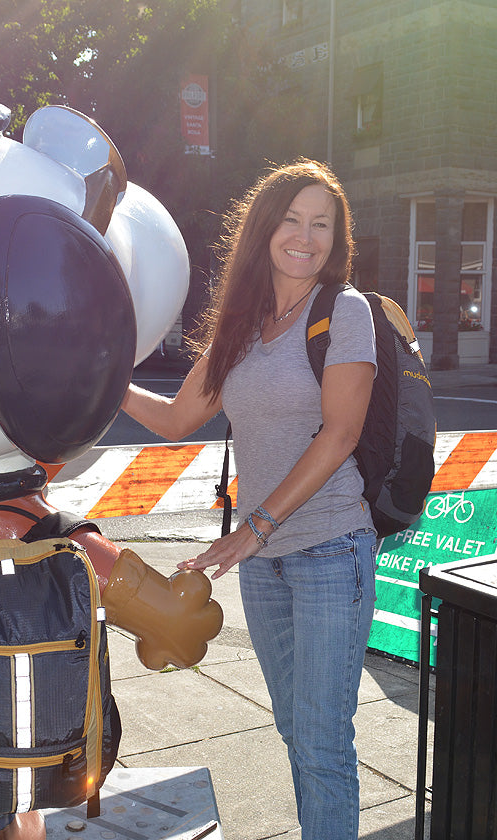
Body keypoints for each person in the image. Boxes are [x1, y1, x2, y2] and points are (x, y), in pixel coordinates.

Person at [121, 158, 377, 840]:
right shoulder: (243, 323)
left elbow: (340, 433)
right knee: (296, 729)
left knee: (323, 743)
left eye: (322, 223)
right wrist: (104, 378)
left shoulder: (342, 312)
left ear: (335, 238)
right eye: (292, 218)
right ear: (265, 228)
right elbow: (179, 419)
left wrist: (255, 527)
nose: (306, 235)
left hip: (329, 550)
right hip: (266, 566)